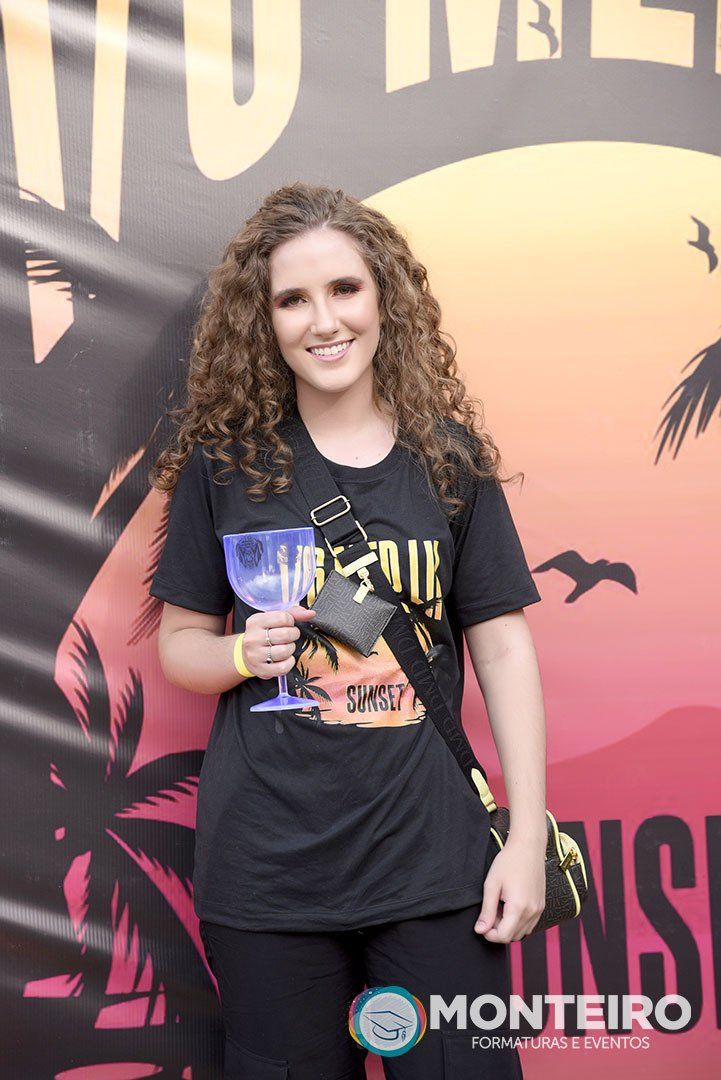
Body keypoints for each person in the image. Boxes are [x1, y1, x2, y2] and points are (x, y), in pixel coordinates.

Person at [148, 181, 547, 1079]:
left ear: (383, 299)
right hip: (269, 880)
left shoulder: (446, 460)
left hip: (437, 870)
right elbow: (180, 646)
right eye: (292, 299)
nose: (323, 321)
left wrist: (524, 839)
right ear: (263, 322)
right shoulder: (225, 466)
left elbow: (501, 647)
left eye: (344, 289)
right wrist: (240, 652)